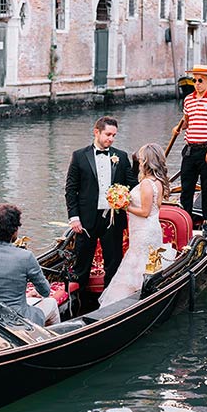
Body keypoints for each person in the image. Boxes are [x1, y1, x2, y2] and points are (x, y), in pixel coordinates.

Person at [65, 116, 139, 293]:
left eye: (114, 135)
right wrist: (74, 218)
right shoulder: (79, 156)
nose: (111, 139)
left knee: (113, 264)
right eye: (108, 134)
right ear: (96, 132)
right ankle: (77, 301)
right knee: (81, 264)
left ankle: (110, 301)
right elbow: (70, 189)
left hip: (112, 219)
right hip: (86, 219)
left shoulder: (120, 156)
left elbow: (131, 185)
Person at [0, 204, 61, 327]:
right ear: (15, 231)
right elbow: (45, 291)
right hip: (18, 319)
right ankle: (50, 339)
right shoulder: (26, 257)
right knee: (51, 302)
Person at [98, 143, 170, 307]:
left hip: (143, 229)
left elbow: (145, 211)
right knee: (146, 262)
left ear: (147, 161)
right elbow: (155, 208)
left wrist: (123, 205)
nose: (139, 161)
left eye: (141, 158)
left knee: (138, 261)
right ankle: (145, 299)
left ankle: (131, 302)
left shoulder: (146, 183)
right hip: (151, 227)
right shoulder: (158, 181)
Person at [173, 64, 207, 236]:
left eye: (200, 80)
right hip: (190, 150)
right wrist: (179, 126)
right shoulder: (188, 99)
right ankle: (186, 218)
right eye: (194, 80)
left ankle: (206, 220)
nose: (197, 83)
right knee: (186, 186)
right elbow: (186, 120)